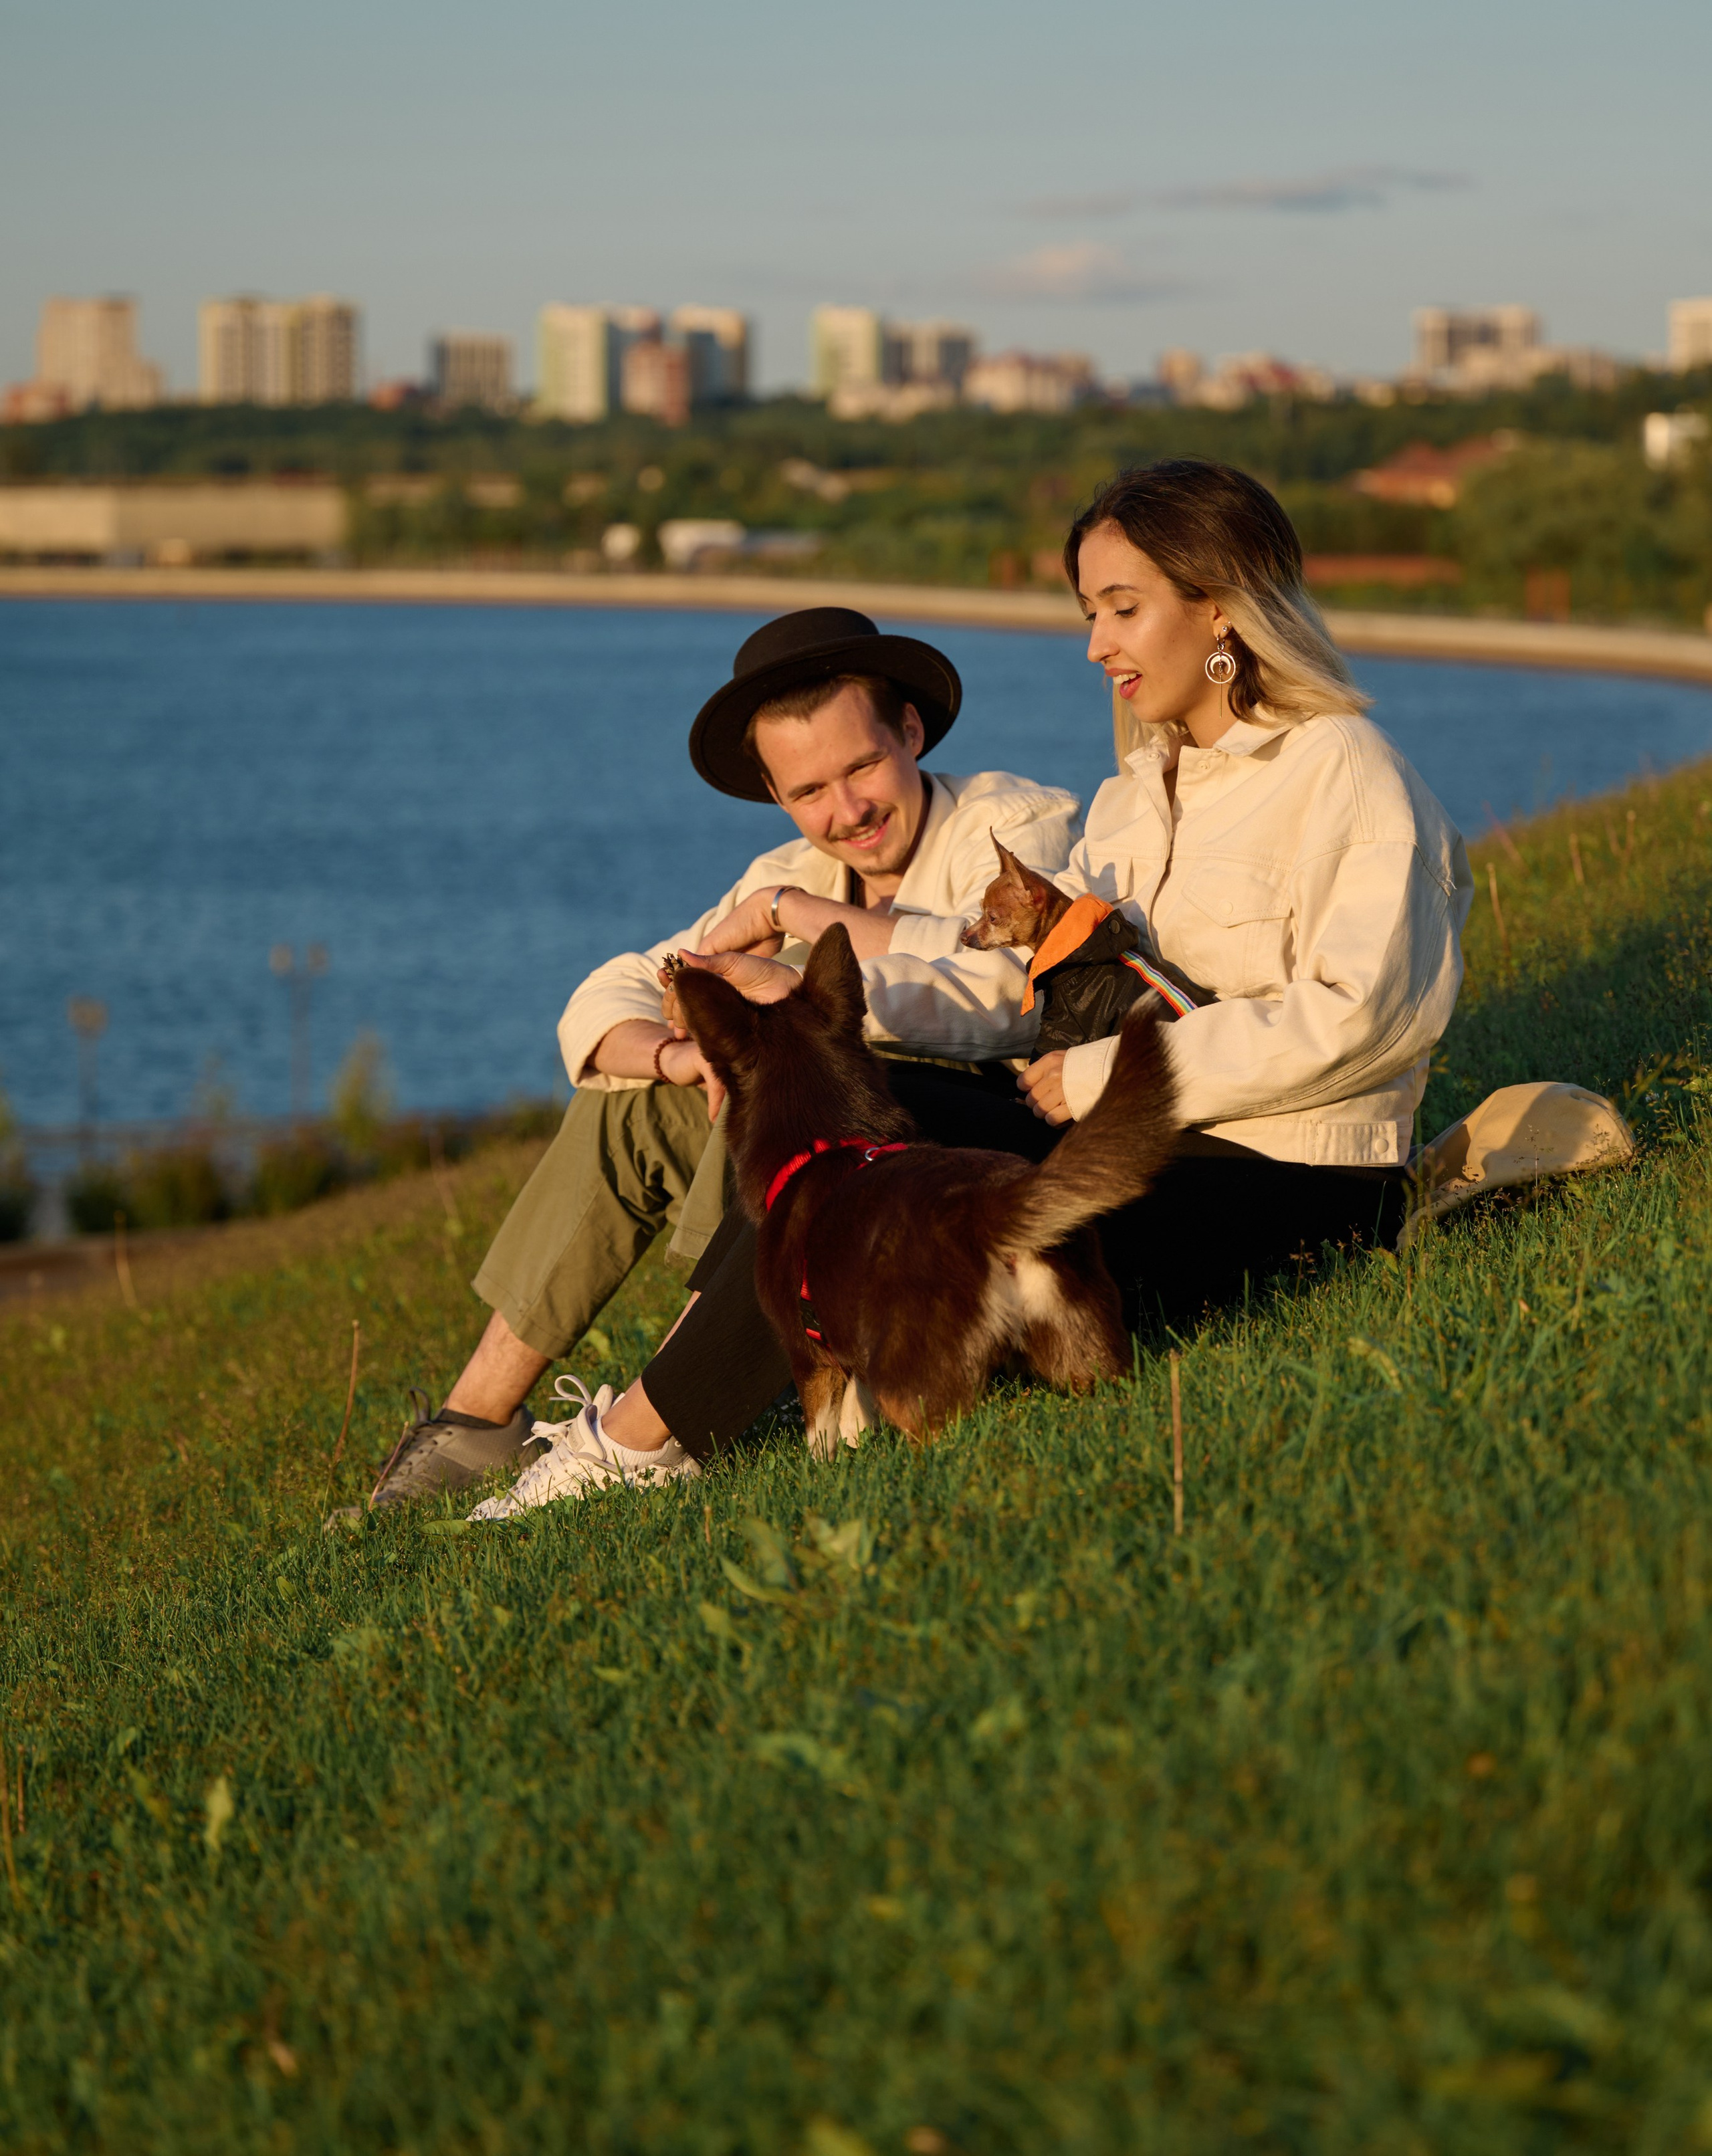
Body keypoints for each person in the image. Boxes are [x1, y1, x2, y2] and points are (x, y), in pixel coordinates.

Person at [469, 459, 1472, 1517]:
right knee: (833, 1118)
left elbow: (1368, 1017)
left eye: (1122, 610)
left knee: (859, 1138)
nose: (1097, 646)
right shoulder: (1139, 794)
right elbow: (1011, 977)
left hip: (1275, 1180)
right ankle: (757, 1405)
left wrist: (1097, 1076)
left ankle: (630, 1446)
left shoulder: (1345, 769)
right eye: (1091, 613)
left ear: (1220, 607)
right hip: (1131, 1137)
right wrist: (817, 1007)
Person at [365, 605, 1080, 1510]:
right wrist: (677, 1056)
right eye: (809, 791)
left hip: (964, 1150)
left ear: (910, 730)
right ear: (778, 795)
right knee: (633, 1100)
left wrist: (794, 931)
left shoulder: (1013, 822)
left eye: (863, 766)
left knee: (789, 1103)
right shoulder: (785, 868)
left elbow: (1010, 994)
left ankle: (654, 1422)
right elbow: (610, 991)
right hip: (856, 1166)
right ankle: (475, 1426)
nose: (847, 812)